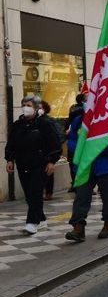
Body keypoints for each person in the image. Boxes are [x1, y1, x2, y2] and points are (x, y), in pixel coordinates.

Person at [5, 96, 61, 234]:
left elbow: (54, 143)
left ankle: (32, 223)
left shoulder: (44, 123)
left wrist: (51, 161)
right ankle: (41, 219)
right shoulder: (17, 125)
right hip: (23, 163)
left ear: (36, 108)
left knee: (35, 192)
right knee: (29, 194)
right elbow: (11, 144)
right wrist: (10, 159)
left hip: (40, 164)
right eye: (23, 104)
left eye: (29, 105)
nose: (26, 107)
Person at [65, 115, 108, 241]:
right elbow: (72, 140)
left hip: (106, 165)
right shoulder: (79, 120)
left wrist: (97, 148)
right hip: (85, 166)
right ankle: (78, 227)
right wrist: (80, 149)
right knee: (81, 196)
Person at [38, 102, 64, 200]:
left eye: (40, 107)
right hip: (37, 153)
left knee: (48, 173)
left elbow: (59, 135)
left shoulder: (49, 121)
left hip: (48, 152)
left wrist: (55, 149)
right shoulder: (32, 121)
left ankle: (48, 193)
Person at [65, 94, 86, 193]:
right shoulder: (81, 114)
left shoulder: (72, 109)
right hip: (79, 146)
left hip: (73, 145)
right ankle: (82, 185)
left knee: (73, 166)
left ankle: (75, 184)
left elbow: (68, 126)